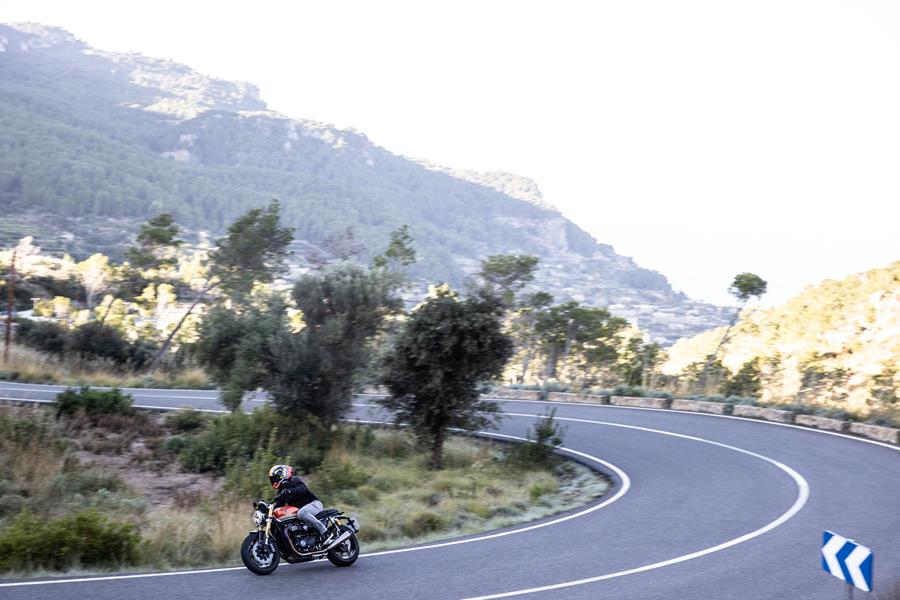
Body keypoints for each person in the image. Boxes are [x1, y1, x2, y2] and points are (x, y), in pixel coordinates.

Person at [268, 464, 337, 548]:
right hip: (303, 511)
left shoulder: (294, 480)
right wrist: (267, 509)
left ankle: (326, 533)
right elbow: (278, 504)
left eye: (275, 478)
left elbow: (302, 489)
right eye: (272, 479)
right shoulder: (281, 490)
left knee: (301, 513)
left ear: (281, 474)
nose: (273, 480)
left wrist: (290, 491)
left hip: (314, 504)